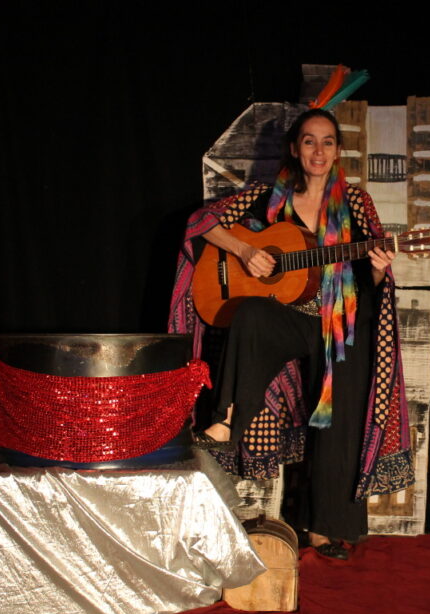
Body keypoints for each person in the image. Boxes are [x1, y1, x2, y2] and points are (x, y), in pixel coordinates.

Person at [169, 107, 413, 561]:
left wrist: (379, 271)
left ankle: (325, 528)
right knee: (251, 314)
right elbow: (200, 225)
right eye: (309, 141)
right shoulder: (264, 198)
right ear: (295, 149)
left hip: (338, 323)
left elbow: (374, 283)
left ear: (338, 151)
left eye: (327, 142)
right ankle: (226, 416)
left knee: (339, 411)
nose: (318, 151)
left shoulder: (356, 203)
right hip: (289, 317)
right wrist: (244, 251)